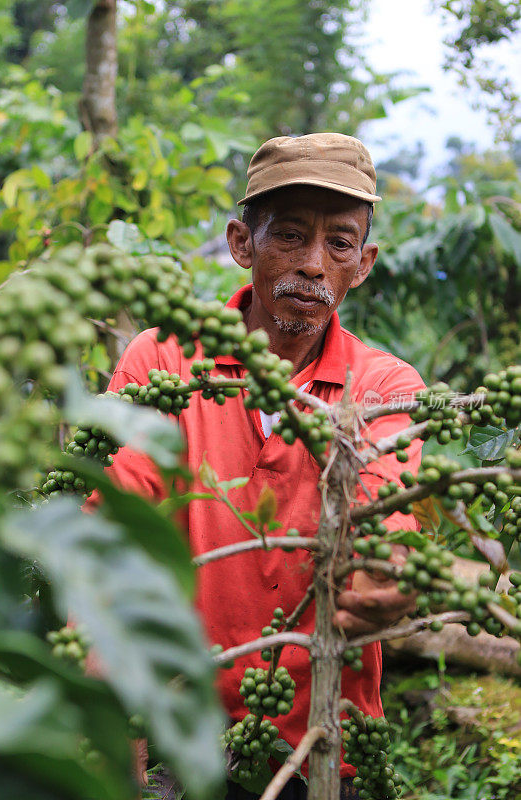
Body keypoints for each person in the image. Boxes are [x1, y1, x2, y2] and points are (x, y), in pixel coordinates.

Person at [97, 133, 424, 799]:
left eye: (337, 243)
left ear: (362, 264)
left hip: (326, 748)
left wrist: (393, 581)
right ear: (242, 244)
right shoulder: (162, 365)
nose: (310, 263)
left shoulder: (386, 388)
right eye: (288, 235)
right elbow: (115, 552)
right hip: (183, 747)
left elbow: (390, 518)